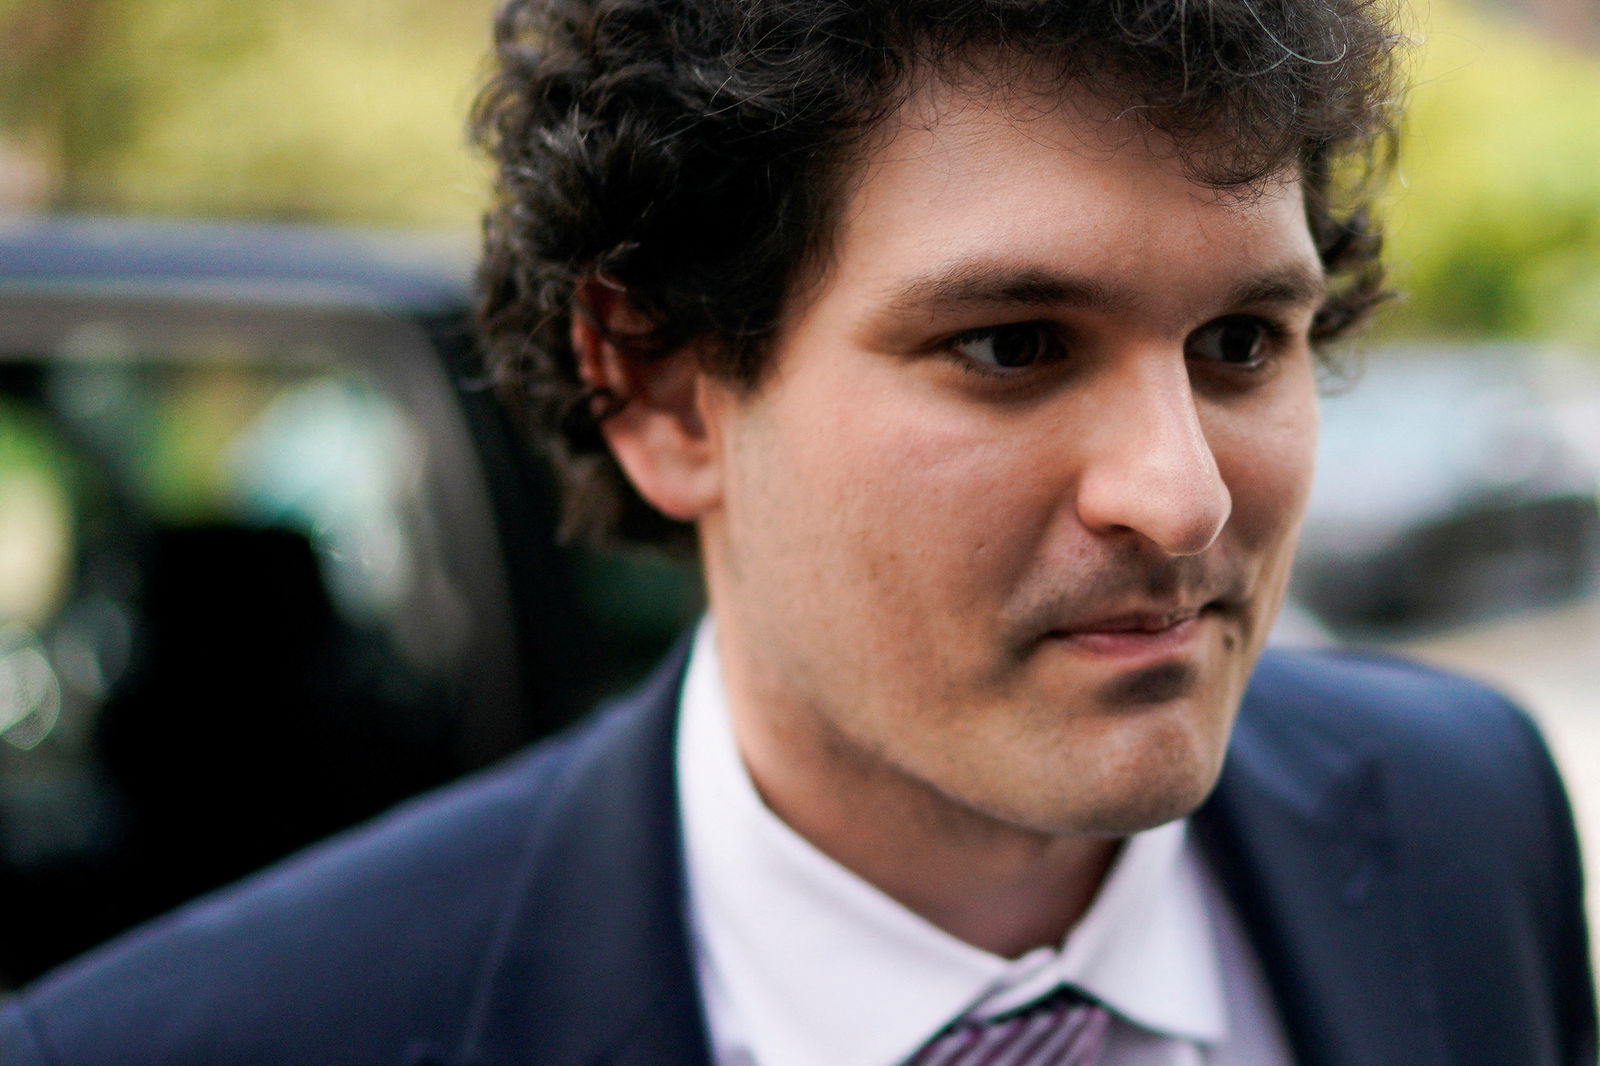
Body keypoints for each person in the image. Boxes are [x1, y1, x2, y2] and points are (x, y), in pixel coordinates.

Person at [2, 0, 1595, 1063]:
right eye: (1015, 343)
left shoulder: (1467, 812)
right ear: (664, 391)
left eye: (1244, 340)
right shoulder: (200, 1040)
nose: (1180, 496)